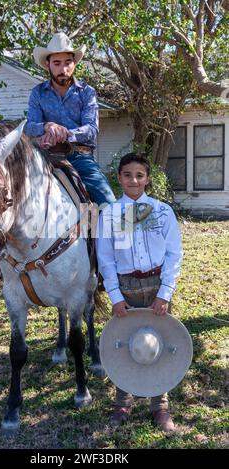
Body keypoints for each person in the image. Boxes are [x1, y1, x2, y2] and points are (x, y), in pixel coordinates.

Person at [96, 152, 183, 432]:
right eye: (127, 175)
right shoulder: (110, 213)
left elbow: (173, 253)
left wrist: (165, 292)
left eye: (139, 175)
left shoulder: (161, 211)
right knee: (125, 344)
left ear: (147, 179)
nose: (133, 180)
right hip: (127, 287)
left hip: (157, 284)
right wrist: (115, 296)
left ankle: (160, 406)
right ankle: (122, 402)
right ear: (119, 178)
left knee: (158, 344)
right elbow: (106, 257)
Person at [24, 32, 115, 207]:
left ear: (74, 64)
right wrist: (47, 126)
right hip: (44, 156)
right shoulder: (38, 93)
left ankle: (114, 232)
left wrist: (66, 134)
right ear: (47, 64)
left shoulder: (87, 92)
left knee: (110, 205)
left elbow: (91, 129)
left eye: (68, 63)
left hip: (79, 156)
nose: (63, 69)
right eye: (57, 63)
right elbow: (29, 127)